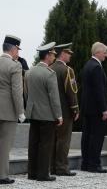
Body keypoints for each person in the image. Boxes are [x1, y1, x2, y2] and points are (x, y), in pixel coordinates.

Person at [25, 42, 63, 181]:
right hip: (47, 114)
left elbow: (26, 93)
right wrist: (59, 115)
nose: (53, 57)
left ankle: (32, 173)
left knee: (33, 143)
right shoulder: (49, 74)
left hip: (33, 112)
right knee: (45, 144)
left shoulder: (29, 71)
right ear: (47, 55)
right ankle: (42, 174)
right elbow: (54, 97)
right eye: (52, 54)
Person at [50, 43, 79, 176]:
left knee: (53, 139)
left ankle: (52, 167)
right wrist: (75, 109)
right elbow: (71, 92)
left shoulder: (50, 68)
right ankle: (61, 168)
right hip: (65, 111)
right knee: (63, 140)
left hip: (51, 111)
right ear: (63, 53)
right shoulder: (67, 70)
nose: (70, 55)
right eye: (69, 53)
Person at [81, 42, 107, 173]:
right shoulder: (97, 67)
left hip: (87, 108)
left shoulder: (87, 65)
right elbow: (99, 90)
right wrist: (104, 109)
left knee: (87, 136)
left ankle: (85, 163)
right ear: (98, 52)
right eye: (104, 52)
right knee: (96, 137)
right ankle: (94, 164)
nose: (106, 55)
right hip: (96, 109)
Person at [0, 35, 25, 184]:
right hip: (8, 111)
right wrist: (20, 111)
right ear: (13, 49)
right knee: (4, 145)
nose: (18, 53)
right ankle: (2, 175)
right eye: (18, 50)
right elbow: (17, 91)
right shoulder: (15, 65)